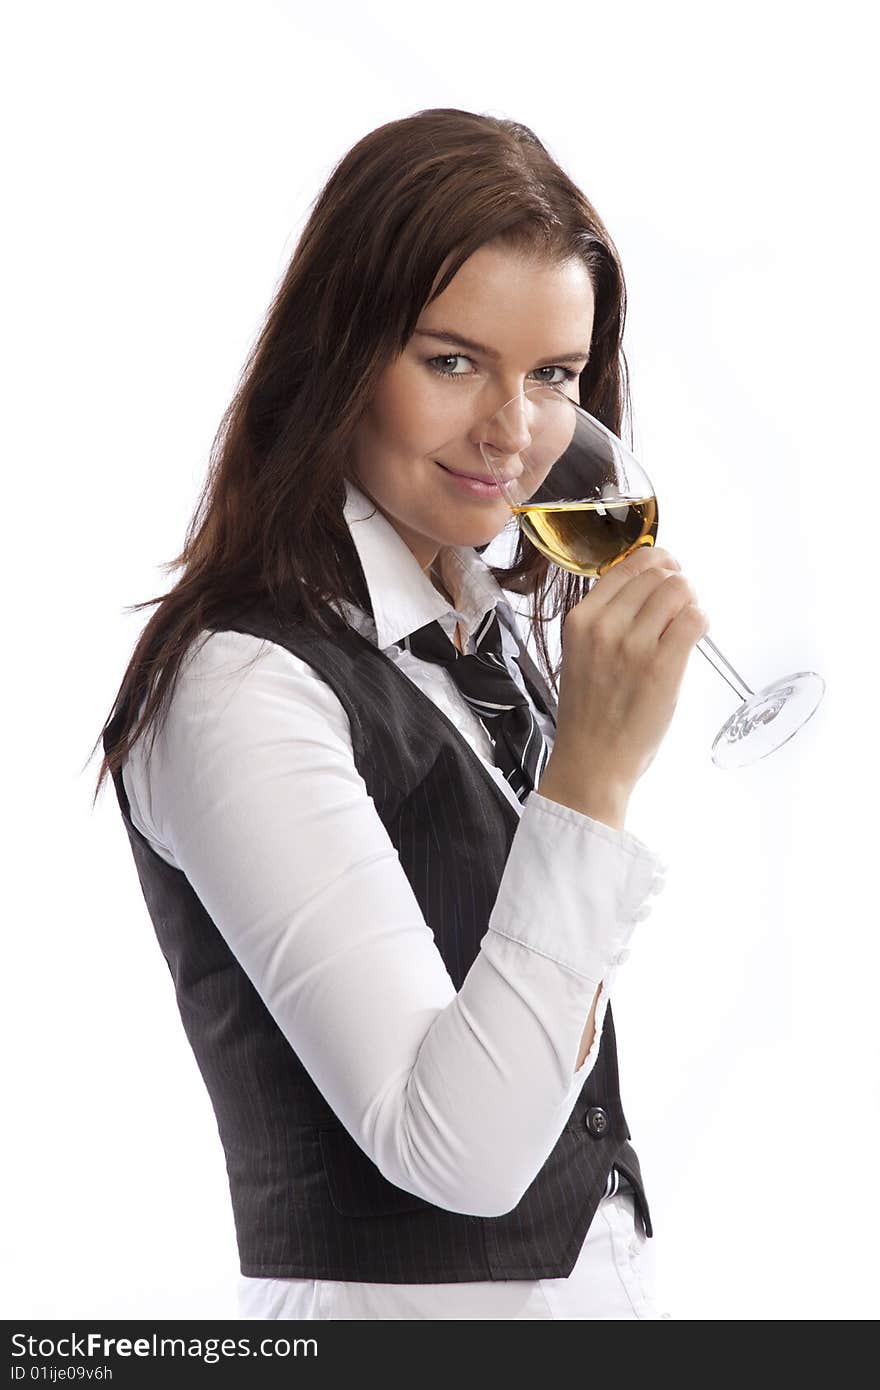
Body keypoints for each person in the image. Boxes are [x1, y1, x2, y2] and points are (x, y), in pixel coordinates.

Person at [93, 108, 708, 1320]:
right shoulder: (242, 684)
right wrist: (592, 776)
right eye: (451, 361)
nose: (514, 432)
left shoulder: (474, 633)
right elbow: (456, 1154)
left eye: (554, 376)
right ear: (339, 354)